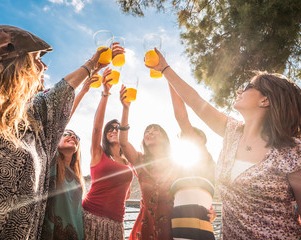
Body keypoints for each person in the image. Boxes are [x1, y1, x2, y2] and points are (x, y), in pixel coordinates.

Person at [0, 25, 122, 239]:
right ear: (13, 65)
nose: (44, 66)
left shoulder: (30, 127)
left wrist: (94, 64)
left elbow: (57, 95)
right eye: (36, 59)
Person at [148, 48, 301, 239]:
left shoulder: (293, 151)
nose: (239, 90)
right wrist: (164, 69)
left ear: (265, 100)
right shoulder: (232, 133)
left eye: (247, 86)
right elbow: (195, 100)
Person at [41, 76, 100, 240]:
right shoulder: (51, 162)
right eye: (67, 134)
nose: (72, 137)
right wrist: (82, 92)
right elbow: (62, 119)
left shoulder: (77, 177)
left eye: (76, 137)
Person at [118, 85, 177, 240]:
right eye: (147, 131)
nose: (150, 132)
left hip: (172, 228)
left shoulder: (176, 164)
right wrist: (126, 108)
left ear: (164, 137)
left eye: (154, 130)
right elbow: (123, 143)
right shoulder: (140, 160)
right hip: (144, 228)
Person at [82, 68, 134, 240]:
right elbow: (96, 128)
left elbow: (125, 193)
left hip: (116, 224)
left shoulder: (128, 162)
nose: (113, 130)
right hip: (91, 218)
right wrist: (106, 93)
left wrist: (125, 108)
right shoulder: (98, 154)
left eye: (117, 128)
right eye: (109, 129)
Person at [168, 84, 216, 240]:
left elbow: (181, 118)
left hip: (199, 233)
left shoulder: (205, 158)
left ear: (201, 140)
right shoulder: (180, 168)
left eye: (189, 135)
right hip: (178, 231)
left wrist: (168, 76)